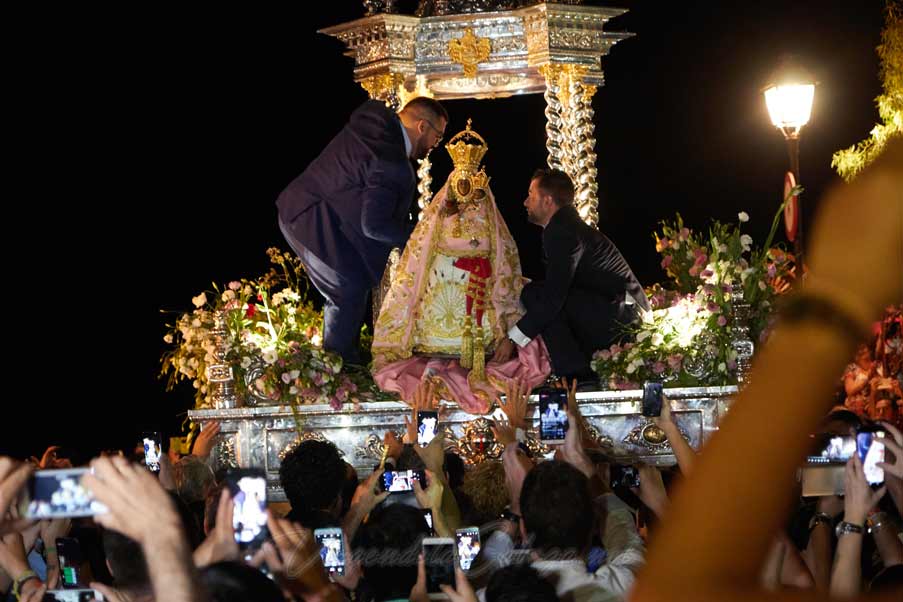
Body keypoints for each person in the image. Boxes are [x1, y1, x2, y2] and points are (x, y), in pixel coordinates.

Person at [371, 123, 550, 414]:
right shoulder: (439, 216)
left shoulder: (487, 214)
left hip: (479, 289)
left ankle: (480, 359)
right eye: (460, 185)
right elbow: (421, 248)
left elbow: (502, 250)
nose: (465, 192)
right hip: (443, 288)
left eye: (471, 186)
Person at [277, 96, 449, 365]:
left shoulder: (377, 123)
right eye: (437, 137)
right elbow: (374, 225)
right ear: (421, 127)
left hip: (306, 206)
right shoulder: (392, 162)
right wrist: (422, 236)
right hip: (309, 218)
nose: (434, 146)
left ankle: (342, 366)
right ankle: (338, 373)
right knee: (348, 290)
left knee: (354, 284)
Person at [493, 169, 650, 380]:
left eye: (531, 194)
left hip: (621, 320)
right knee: (539, 292)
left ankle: (575, 375)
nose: (525, 202)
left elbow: (553, 296)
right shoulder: (567, 227)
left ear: (547, 200)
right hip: (620, 314)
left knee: (535, 294)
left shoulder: (562, 231)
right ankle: (575, 369)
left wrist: (513, 338)